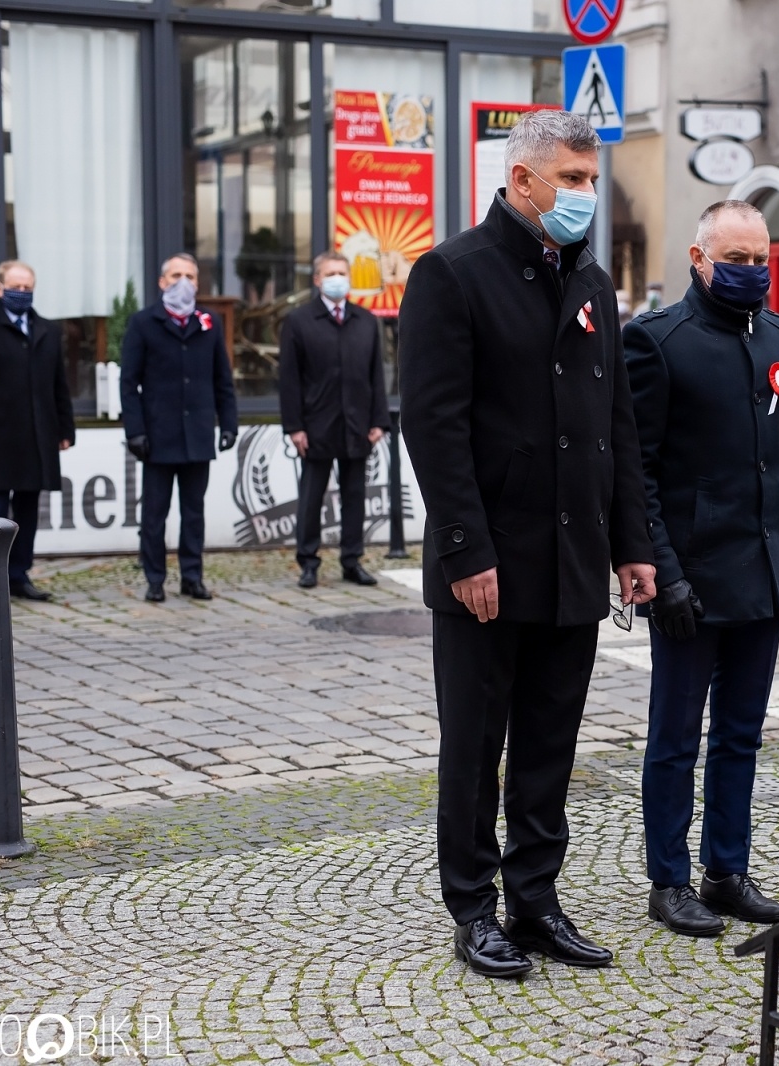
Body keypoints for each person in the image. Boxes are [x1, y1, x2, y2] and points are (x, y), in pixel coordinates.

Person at [398, 109, 656, 979]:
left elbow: (616, 424)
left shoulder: (592, 281)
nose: (586, 194)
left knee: (550, 743)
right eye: (573, 180)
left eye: (591, 179)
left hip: (574, 557)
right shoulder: (452, 272)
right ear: (523, 181)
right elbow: (433, 427)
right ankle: (474, 908)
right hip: (490, 563)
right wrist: (465, 551)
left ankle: (536, 899)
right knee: (476, 746)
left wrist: (633, 544)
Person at [623, 200, 779, 938]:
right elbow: (638, 473)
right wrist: (664, 573)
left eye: (758, 259)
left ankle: (727, 871)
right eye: (735, 259)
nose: (750, 271)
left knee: (741, 734)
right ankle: (669, 879)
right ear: (699, 258)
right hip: (692, 580)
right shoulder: (657, 341)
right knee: (675, 737)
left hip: (764, 572)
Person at [120, 253, 239, 602]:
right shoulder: (143, 322)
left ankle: (192, 576)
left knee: (194, 512)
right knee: (154, 513)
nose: (182, 282)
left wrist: (228, 423)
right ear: (162, 282)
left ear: (198, 283)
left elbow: (222, 378)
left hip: (197, 434)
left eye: (189, 276)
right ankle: (155, 578)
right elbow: (129, 383)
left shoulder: (209, 322)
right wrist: (135, 430)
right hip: (158, 435)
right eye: (175, 275)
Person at [0, 260, 74, 600]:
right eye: (15, 287)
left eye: (27, 287)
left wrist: (65, 428)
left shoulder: (48, 330)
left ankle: (19, 575)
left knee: (28, 509)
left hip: (37, 435)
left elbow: (59, 385)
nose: (21, 292)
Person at [279, 252, 391, 589]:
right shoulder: (299, 321)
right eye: (330, 273)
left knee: (355, 496)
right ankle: (308, 561)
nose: (337, 279)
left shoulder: (366, 321)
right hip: (316, 426)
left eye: (342, 272)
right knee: (312, 497)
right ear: (317, 280)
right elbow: (289, 380)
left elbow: (376, 375)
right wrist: (295, 427)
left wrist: (379, 420)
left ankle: (352, 560)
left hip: (358, 424)